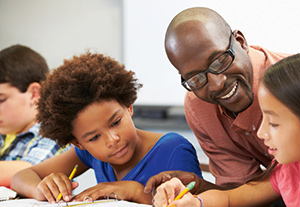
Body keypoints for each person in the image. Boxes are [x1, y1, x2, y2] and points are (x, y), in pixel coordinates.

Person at [144, 7, 300, 195]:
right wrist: (201, 188)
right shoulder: (199, 106)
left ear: (240, 42)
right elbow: (245, 192)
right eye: (195, 78)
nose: (216, 84)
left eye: (220, 60)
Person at [152, 50, 300, 207]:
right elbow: (230, 198)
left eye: (273, 123)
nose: (261, 132)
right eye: (263, 118)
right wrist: (196, 203)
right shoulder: (292, 172)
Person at [10, 52, 203, 205]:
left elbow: (192, 203)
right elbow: (21, 176)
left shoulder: (174, 149)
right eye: (94, 138)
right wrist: (40, 188)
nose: (112, 140)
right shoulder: (87, 154)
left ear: (129, 106)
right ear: (78, 143)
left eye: (116, 122)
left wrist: (134, 191)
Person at [0, 44, 69, 188]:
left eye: (1, 100)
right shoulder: (5, 132)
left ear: (34, 94)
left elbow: (30, 172)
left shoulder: (54, 133)